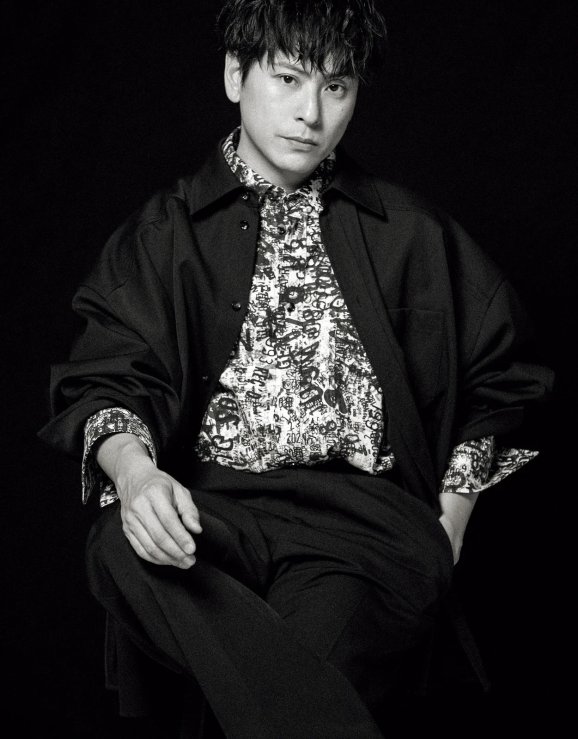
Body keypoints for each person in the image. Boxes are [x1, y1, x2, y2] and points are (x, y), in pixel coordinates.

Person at [38, 1, 554, 736]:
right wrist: (137, 475)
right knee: (120, 541)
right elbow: (106, 379)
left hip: (358, 530)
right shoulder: (162, 234)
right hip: (210, 510)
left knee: (279, 687)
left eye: (335, 87)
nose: (311, 113)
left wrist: (451, 520)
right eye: (288, 79)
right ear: (234, 75)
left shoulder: (411, 232)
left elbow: (503, 379)